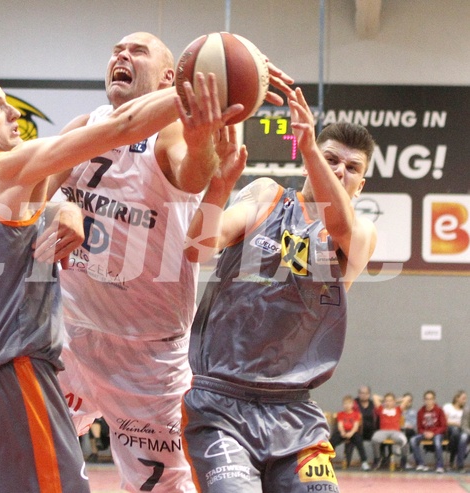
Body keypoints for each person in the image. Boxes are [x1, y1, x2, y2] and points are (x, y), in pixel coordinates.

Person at [0, 65, 247, 493]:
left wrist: (65, 208)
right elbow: (121, 126)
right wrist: (199, 90)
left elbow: (45, 195)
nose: (14, 115)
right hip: (14, 370)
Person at [43, 32, 293, 493]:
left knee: (160, 487)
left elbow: (190, 172)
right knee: (16, 455)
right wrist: (61, 204)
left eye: (137, 51)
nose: (121, 54)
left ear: (169, 79)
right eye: (116, 49)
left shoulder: (172, 132)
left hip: (148, 356)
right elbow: (39, 181)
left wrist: (204, 146)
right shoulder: (84, 124)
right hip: (72, 338)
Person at [181, 87, 378, 492]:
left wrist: (309, 147)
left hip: (296, 416)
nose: (340, 171)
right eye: (330, 160)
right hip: (221, 404)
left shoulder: (360, 234)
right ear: (308, 164)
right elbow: (196, 248)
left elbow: (340, 226)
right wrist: (218, 186)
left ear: (361, 184)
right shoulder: (267, 196)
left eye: (352, 167)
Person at [329, 395, 370, 470]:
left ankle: (364, 462)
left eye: (348, 404)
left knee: (359, 442)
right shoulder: (340, 414)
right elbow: (340, 425)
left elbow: (356, 426)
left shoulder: (356, 414)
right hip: (343, 432)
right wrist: (342, 432)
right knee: (332, 441)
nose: (347, 405)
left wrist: (351, 433)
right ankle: (328, 461)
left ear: (352, 405)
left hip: (353, 432)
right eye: (345, 404)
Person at [410, 390, 447, 473]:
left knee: (437, 442)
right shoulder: (420, 412)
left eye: (430, 399)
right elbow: (419, 428)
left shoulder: (439, 410)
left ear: (434, 400)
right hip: (425, 433)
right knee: (413, 440)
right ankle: (420, 464)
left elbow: (443, 426)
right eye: (427, 399)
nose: (429, 401)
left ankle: (439, 466)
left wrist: (433, 433)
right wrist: (424, 433)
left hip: (437, 433)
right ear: (424, 400)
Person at [371, 392, 409, 469]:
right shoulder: (381, 409)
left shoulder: (398, 409)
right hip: (383, 431)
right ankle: (377, 459)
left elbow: (407, 398)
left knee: (404, 440)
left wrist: (395, 401)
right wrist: (384, 400)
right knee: (374, 439)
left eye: (390, 401)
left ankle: (403, 460)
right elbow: (374, 397)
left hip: (395, 432)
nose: (388, 402)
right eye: (387, 401)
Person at [443, 390, 468, 470]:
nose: (465, 401)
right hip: (449, 429)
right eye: (463, 398)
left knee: (463, 437)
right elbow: (444, 421)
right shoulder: (448, 407)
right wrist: (456, 424)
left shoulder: (465, 411)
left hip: (461, 430)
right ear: (457, 398)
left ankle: (457, 461)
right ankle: (452, 458)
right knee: (455, 431)